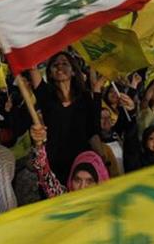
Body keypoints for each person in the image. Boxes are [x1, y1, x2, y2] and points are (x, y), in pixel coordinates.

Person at [29, 52, 102, 184]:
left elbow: (93, 131)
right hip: (54, 166)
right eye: (55, 65)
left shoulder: (85, 97)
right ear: (49, 73)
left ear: (73, 71)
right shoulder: (46, 95)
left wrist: (101, 159)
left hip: (81, 167)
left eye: (65, 63)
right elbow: (32, 66)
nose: (59, 67)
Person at [29, 124, 110, 198]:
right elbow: (45, 175)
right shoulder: (65, 199)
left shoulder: (110, 207)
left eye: (89, 181)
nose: (82, 187)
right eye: (77, 180)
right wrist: (38, 144)